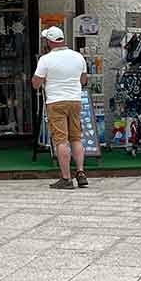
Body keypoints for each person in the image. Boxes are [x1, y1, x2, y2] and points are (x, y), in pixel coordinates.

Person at [32, 25, 89, 189]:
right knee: (76, 137)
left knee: (61, 140)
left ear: (49, 41)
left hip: (56, 102)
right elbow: (83, 80)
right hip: (75, 100)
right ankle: (81, 172)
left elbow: (36, 83)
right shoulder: (78, 57)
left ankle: (66, 178)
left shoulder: (46, 59)